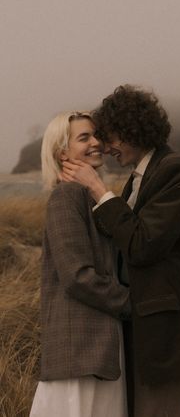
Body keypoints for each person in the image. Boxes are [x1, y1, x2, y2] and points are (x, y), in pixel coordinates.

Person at [61, 85, 180, 417]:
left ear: (135, 128)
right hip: (141, 332)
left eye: (111, 135)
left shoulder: (174, 169)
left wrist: (98, 189)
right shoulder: (138, 178)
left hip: (166, 336)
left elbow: (143, 245)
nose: (105, 145)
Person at [30, 111, 130, 417]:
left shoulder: (88, 196)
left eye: (95, 135)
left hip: (99, 348)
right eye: (83, 137)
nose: (96, 143)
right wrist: (134, 304)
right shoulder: (66, 196)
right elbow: (77, 276)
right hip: (79, 349)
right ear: (63, 153)